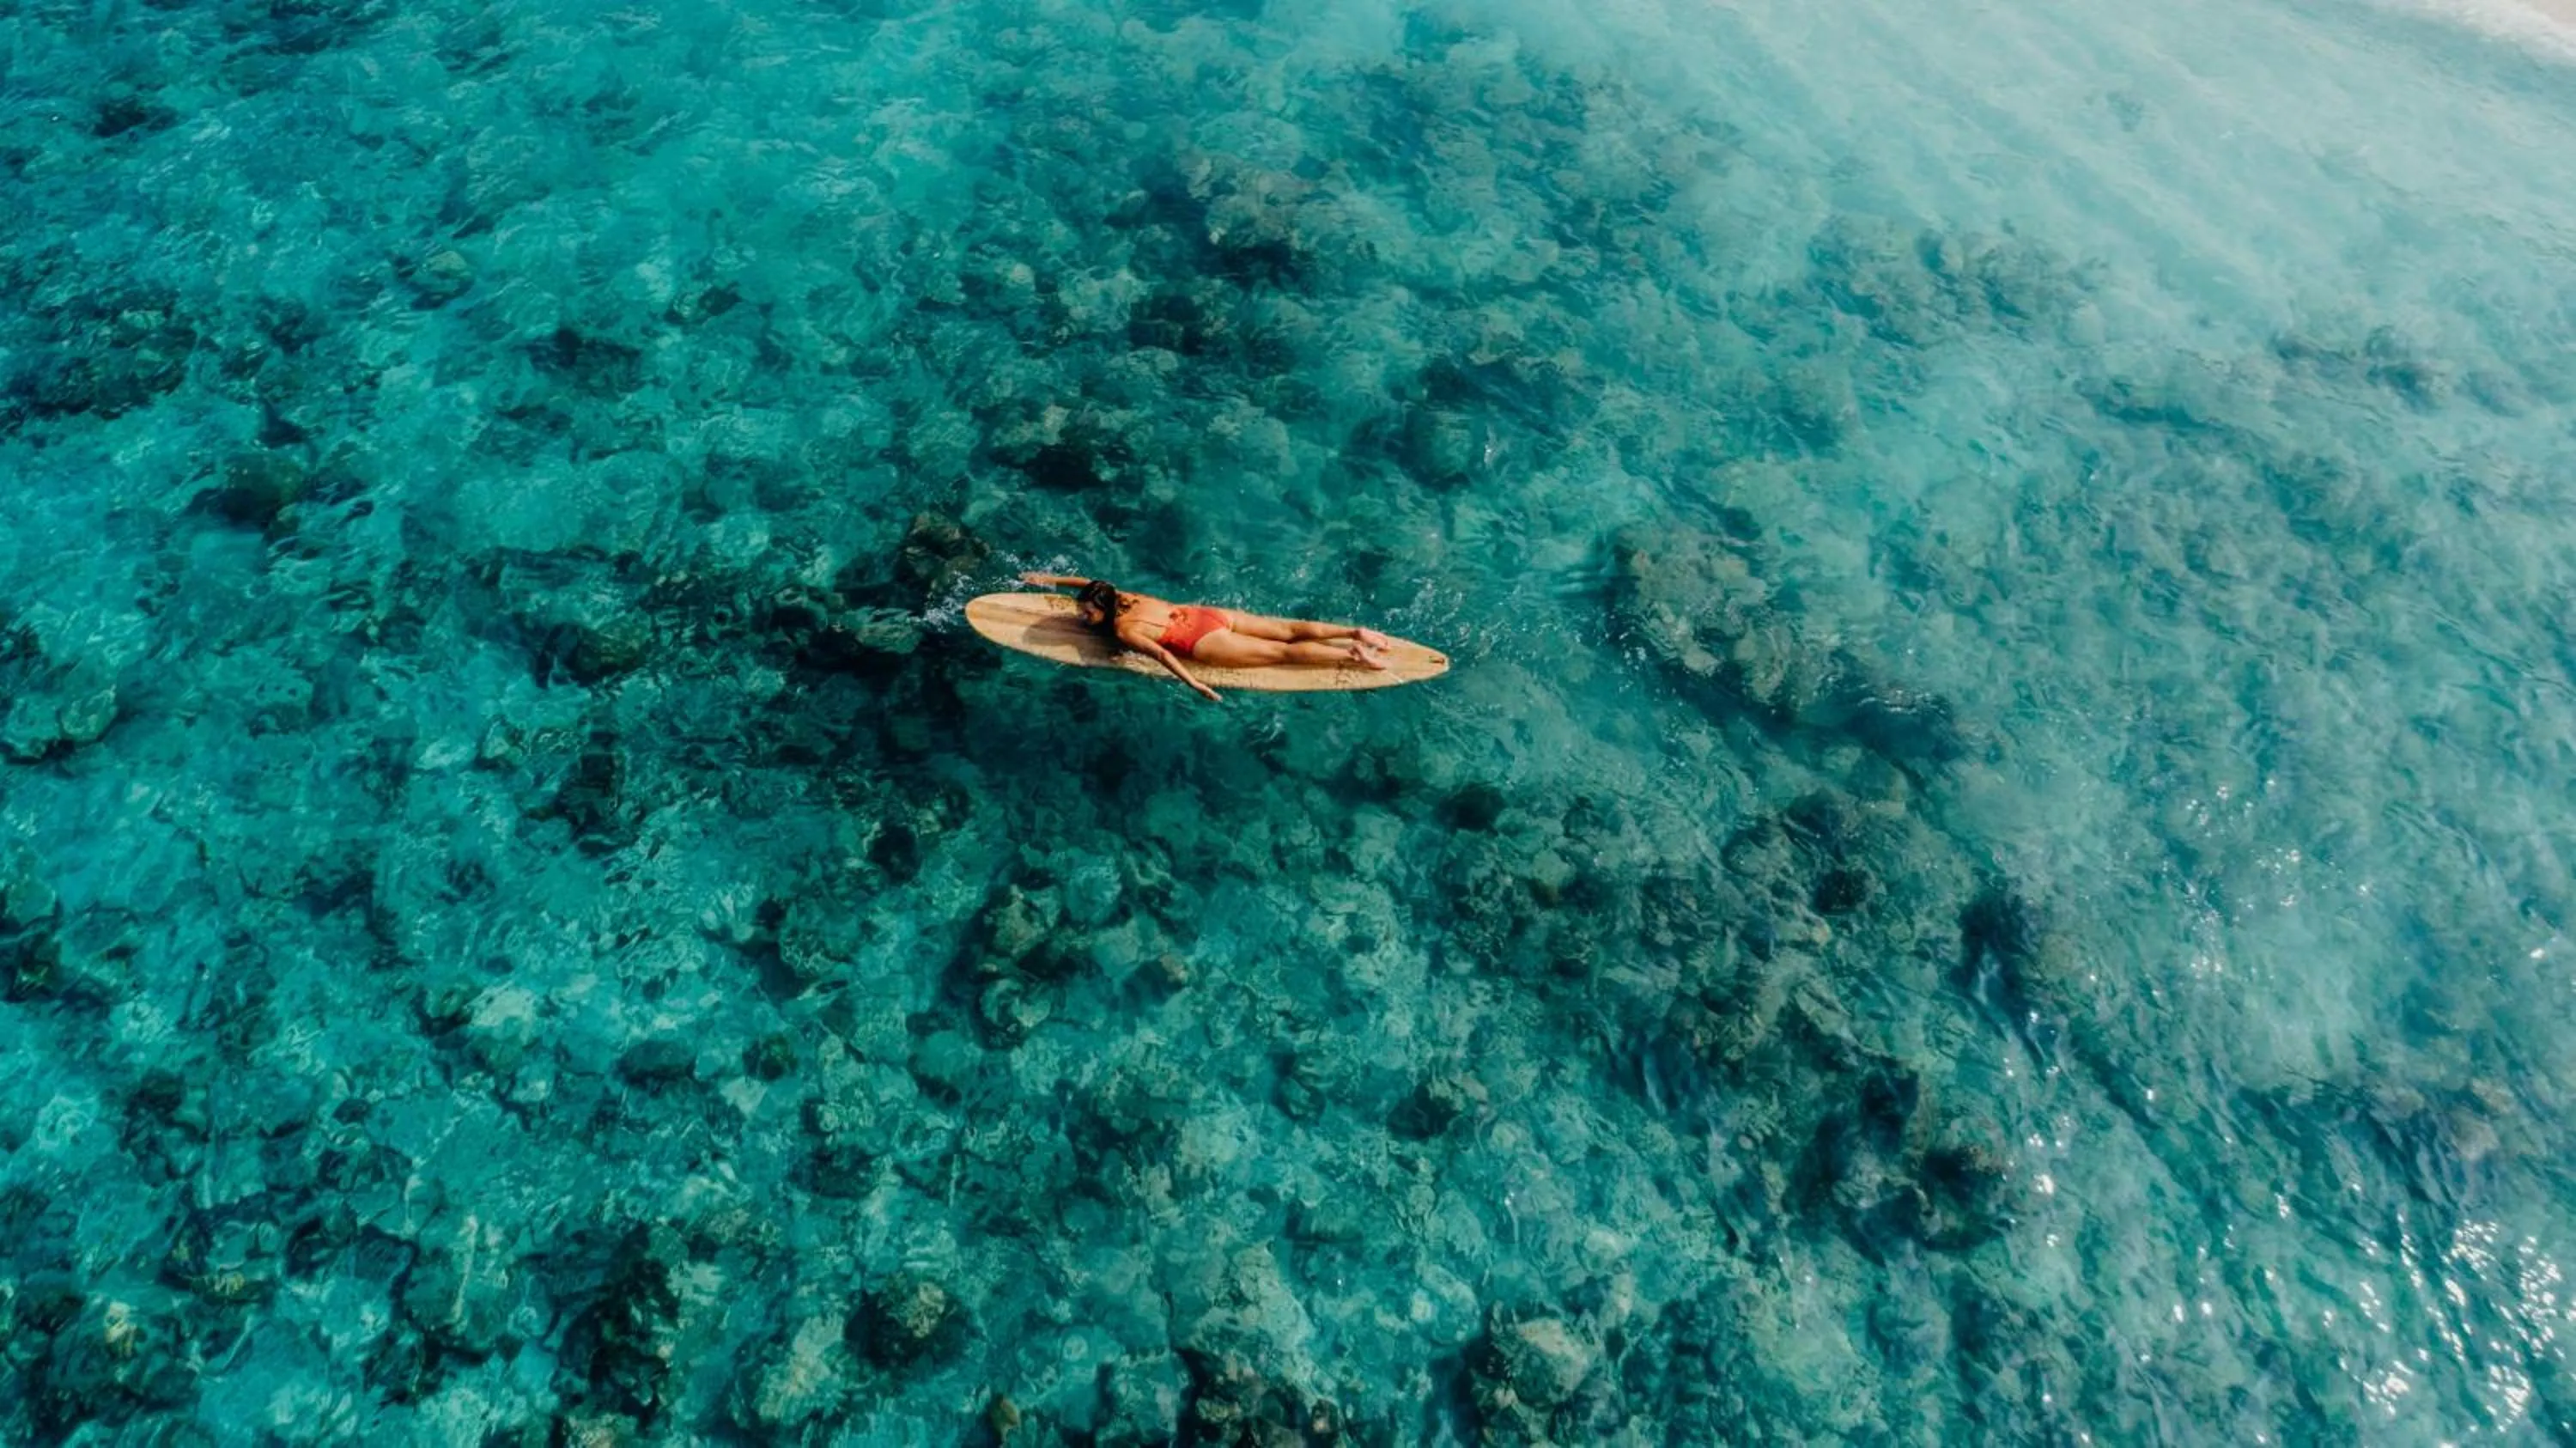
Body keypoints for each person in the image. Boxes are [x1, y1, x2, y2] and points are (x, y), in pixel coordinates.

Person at [1018, 571, 1389, 703]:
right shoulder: (1125, 596)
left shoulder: (1123, 629)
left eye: (1087, 611)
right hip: (1204, 615)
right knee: (1287, 630)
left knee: (1281, 654)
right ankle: (1353, 631)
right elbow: (1089, 582)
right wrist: (1049, 580)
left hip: (1202, 643)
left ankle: (1353, 653)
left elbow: (1162, 657)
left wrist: (1196, 684)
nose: (1082, 613)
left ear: (1102, 610)